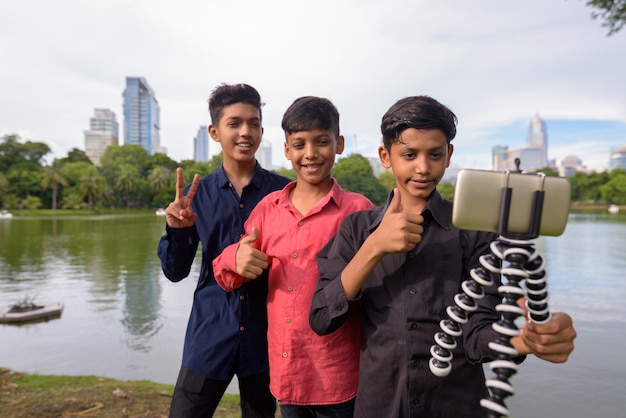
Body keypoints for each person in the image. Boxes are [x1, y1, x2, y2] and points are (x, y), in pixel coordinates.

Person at [309, 95, 577, 418]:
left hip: (456, 404)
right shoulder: (357, 229)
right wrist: (374, 247)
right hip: (381, 405)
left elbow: (477, 331)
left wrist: (523, 341)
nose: (423, 168)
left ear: (449, 156)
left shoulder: (475, 231)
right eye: (409, 154)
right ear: (385, 156)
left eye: (434, 154)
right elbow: (322, 317)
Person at [213, 96, 374, 418]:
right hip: (287, 372)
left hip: (339, 374)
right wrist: (235, 259)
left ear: (339, 143)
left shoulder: (359, 211)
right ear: (287, 151)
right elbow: (227, 274)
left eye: (322, 142)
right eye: (299, 144)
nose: (310, 154)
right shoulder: (268, 209)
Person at [157, 83, 290, 418]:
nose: (246, 132)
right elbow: (175, 273)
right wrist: (178, 230)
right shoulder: (194, 195)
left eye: (254, 123)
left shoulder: (283, 193)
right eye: (234, 123)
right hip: (209, 331)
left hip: (265, 336)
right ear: (215, 132)